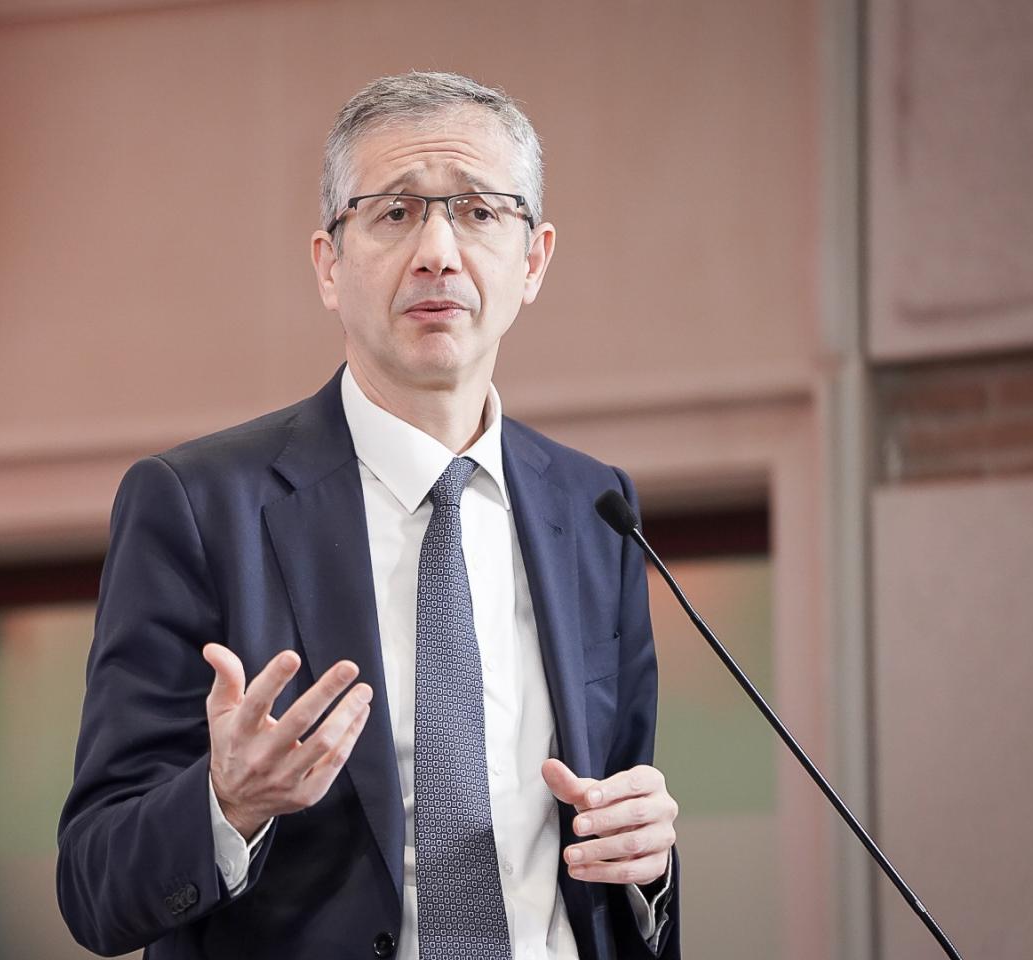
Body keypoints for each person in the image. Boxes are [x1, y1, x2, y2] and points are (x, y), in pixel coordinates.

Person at [57, 71, 681, 960]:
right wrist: (225, 803)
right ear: (328, 263)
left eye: (477, 212)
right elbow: (94, 884)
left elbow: (617, 833)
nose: (437, 250)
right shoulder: (198, 507)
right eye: (393, 213)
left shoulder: (595, 512)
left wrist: (649, 862)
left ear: (534, 259)